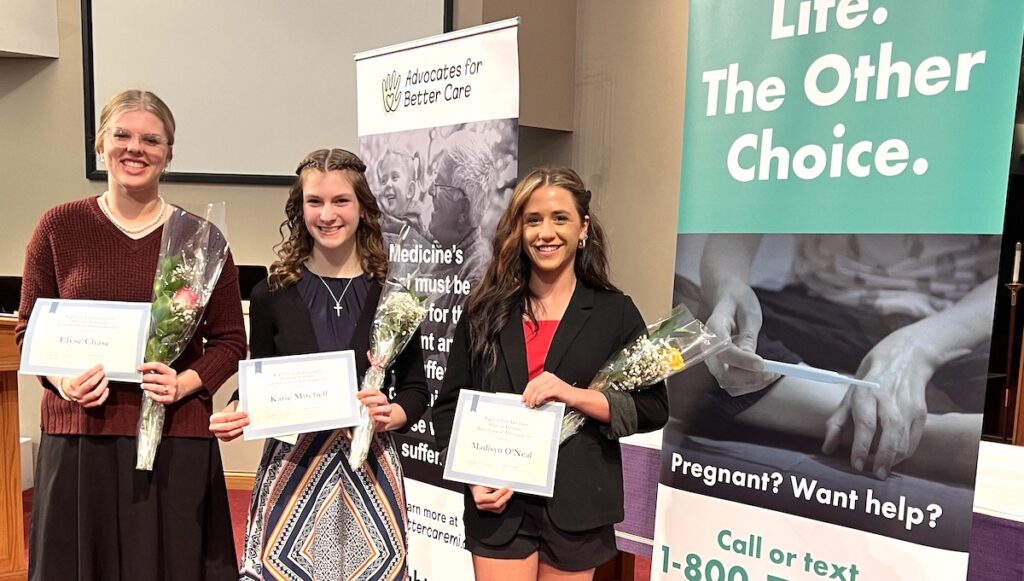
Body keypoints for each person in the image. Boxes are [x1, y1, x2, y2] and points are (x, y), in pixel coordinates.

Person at [16, 89, 246, 581]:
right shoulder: (59, 226)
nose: (134, 148)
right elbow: (28, 330)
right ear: (101, 144)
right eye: (121, 135)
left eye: (150, 139)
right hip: (81, 434)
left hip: (175, 436)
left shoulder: (201, 239)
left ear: (169, 153)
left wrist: (183, 384)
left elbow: (230, 341)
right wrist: (62, 382)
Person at [433, 167, 668, 581]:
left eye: (560, 218)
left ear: (583, 228)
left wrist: (574, 396)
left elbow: (652, 407)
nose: (546, 232)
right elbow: (450, 406)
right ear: (519, 230)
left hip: (577, 505)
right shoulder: (485, 309)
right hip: (500, 504)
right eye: (533, 220)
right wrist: (470, 479)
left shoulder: (616, 313)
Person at [208, 148, 429, 580]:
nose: (327, 215)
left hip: (370, 469)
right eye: (315, 202)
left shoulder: (394, 295)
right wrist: (238, 408)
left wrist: (391, 414)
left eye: (340, 201)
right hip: (292, 469)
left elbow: (416, 390)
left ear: (363, 208)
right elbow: (261, 376)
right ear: (299, 208)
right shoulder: (271, 292)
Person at [694, 233, 995, 480]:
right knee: (672, 327)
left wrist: (917, 347)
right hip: (817, 312)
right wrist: (728, 287)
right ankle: (925, 434)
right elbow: (734, 230)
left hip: (952, 328)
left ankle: (790, 408)